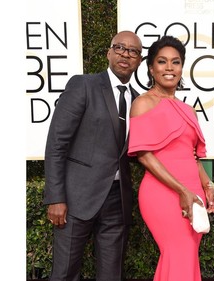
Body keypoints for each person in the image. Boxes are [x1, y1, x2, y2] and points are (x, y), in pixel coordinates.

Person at [43, 30, 143, 281]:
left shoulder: (139, 101)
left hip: (117, 201)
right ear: (109, 52)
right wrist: (56, 197)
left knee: (111, 275)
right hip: (77, 198)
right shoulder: (83, 85)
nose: (125, 54)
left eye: (133, 51)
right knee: (65, 273)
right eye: (120, 47)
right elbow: (57, 143)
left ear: (139, 61)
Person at [127, 35, 214, 281]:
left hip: (192, 192)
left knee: (185, 256)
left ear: (181, 67)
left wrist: (208, 186)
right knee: (178, 251)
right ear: (151, 68)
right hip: (163, 193)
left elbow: (194, 157)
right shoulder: (143, 103)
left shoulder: (188, 109)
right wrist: (182, 190)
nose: (169, 67)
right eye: (162, 61)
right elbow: (144, 156)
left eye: (175, 62)